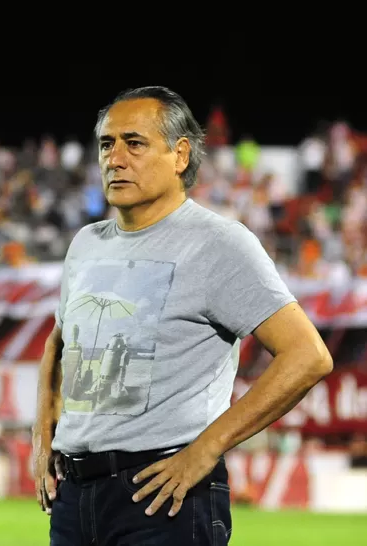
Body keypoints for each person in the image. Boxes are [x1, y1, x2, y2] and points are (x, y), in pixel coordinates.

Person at [32, 86, 333, 545]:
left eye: (135, 143)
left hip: (163, 494)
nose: (115, 158)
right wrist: (42, 436)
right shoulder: (86, 244)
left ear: (180, 155)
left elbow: (308, 356)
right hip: (75, 498)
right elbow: (59, 342)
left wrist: (207, 449)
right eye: (107, 144)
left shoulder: (218, 243)